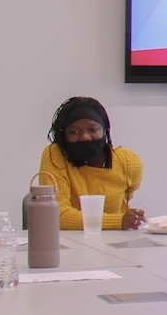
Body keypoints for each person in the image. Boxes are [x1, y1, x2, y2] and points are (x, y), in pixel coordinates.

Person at [39, 97, 145, 230]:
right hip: (69, 242)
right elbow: (56, 215)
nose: (85, 137)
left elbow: (124, 204)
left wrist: (130, 218)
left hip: (115, 240)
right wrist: (118, 221)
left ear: (104, 130)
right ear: (63, 135)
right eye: (74, 132)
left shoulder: (129, 162)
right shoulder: (55, 155)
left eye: (93, 130)